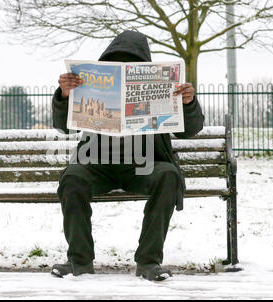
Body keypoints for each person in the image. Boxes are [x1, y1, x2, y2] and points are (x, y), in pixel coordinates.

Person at [51, 30, 204, 281]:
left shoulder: (165, 85)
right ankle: (79, 261)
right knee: (72, 177)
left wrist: (188, 103)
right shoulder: (86, 83)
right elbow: (65, 127)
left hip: (145, 163)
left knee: (167, 175)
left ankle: (149, 262)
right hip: (96, 163)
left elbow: (189, 131)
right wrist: (65, 96)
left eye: (131, 62)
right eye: (118, 61)